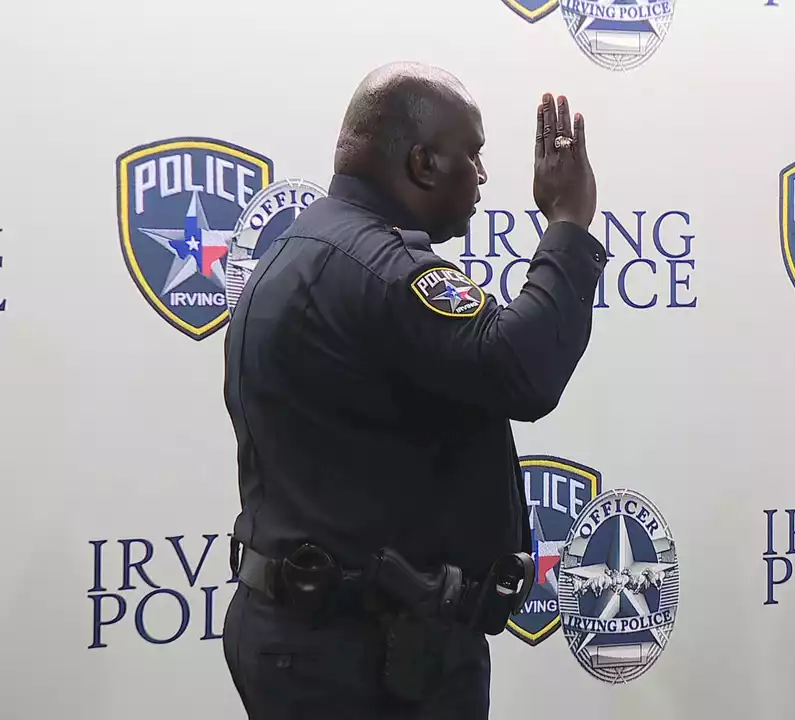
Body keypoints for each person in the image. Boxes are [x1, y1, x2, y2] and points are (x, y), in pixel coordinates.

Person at [219, 61, 606, 719]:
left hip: (305, 635)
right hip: (367, 658)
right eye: (473, 156)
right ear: (424, 164)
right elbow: (523, 370)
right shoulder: (386, 271)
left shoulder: (301, 247)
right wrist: (568, 221)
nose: (482, 177)